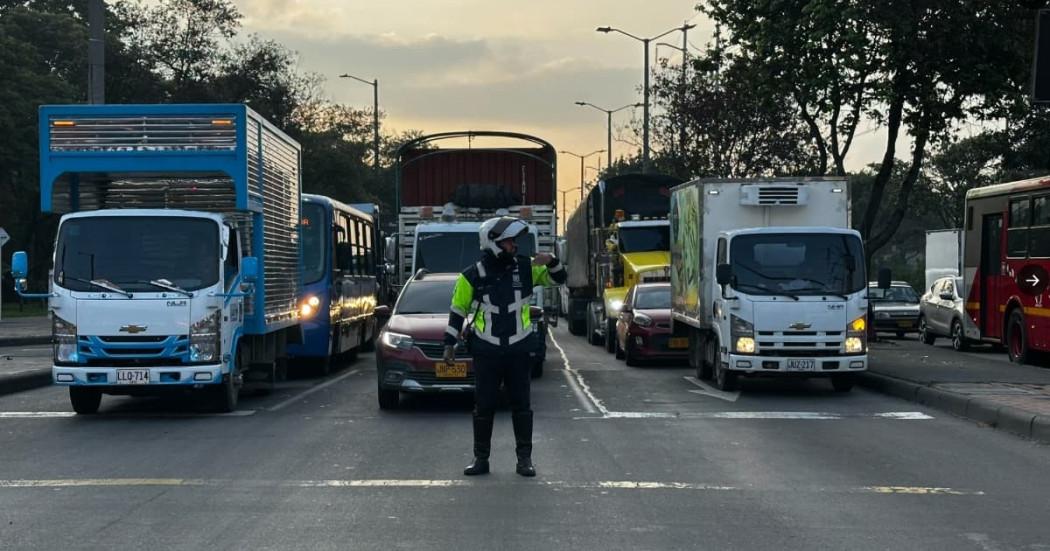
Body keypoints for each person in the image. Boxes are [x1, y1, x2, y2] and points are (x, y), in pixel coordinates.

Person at [444, 216, 567, 477]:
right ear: (494, 243)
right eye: (509, 241)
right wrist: (449, 344)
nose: (514, 245)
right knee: (484, 407)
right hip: (486, 351)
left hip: (518, 349)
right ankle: (481, 459)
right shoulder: (471, 275)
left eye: (514, 241)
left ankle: (525, 460)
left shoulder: (525, 268)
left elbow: (559, 279)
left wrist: (553, 261)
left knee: (522, 406)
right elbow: (457, 311)